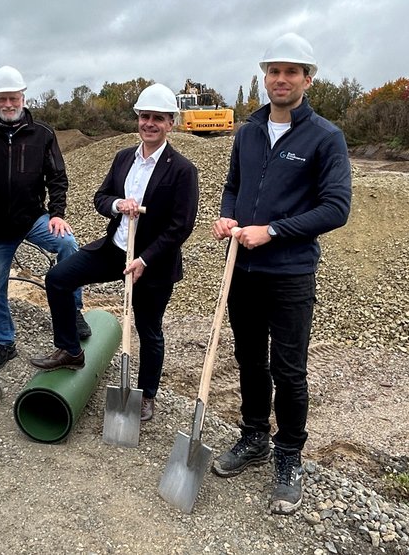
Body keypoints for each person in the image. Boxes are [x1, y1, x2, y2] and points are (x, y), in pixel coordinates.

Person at [210, 33, 352, 515]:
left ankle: (289, 456)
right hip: (241, 268)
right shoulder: (248, 132)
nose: (281, 79)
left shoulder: (325, 137)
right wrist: (228, 217)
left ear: (308, 79)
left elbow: (336, 208)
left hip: (289, 273)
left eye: (292, 72)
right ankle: (254, 437)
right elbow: (233, 187)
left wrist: (272, 230)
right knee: (250, 360)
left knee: (289, 369)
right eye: (274, 71)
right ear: (265, 76)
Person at [30, 83, 199, 423]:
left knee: (149, 329)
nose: (149, 123)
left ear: (170, 123)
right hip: (115, 249)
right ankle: (71, 350)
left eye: (157, 118)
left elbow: (180, 226)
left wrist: (146, 259)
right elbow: (101, 197)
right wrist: (118, 205)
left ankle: (147, 394)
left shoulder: (182, 169)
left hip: (153, 261)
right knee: (58, 279)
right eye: (144, 117)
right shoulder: (124, 158)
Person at [0, 66, 88, 370]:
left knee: (69, 244)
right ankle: (5, 342)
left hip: (32, 217)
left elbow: (57, 177)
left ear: (22, 97)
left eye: (12, 98)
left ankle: (74, 310)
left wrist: (57, 214)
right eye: (1, 98)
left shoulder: (42, 134)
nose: (7, 104)